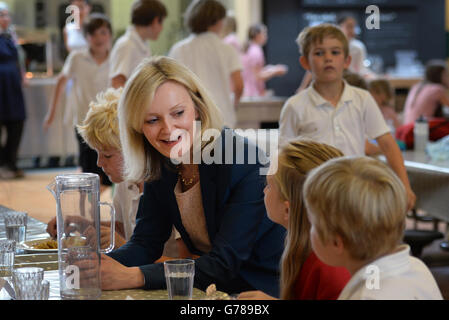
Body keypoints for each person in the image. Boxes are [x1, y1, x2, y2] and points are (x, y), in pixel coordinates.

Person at [100, 56, 286, 297]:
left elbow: (223, 265)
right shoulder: (163, 162)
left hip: (264, 290)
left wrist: (135, 275)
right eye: (153, 120)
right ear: (137, 126)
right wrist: (98, 263)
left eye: (178, 113)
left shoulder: (243, 161)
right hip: (212, 289)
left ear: (197, 109)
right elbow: (145, 244)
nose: (168, 129)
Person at [279, 23, 416, 210]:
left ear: (347, 61)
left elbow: (387, 143)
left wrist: (405, 186)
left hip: (355, 194)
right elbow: (284, 157)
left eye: (335, 52)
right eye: (319, 53)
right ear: (305, 62)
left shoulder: (362, 98)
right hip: (313, 196)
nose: (328, 58)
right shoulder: (295, 106)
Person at [46, 87, 185, 260]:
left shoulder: (173, 186)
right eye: (97, 153)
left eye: (107, 155)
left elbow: (186, 267)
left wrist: (126, 247)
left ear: (135, 149)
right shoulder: (124, 183)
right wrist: (84, 225)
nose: (99, 163)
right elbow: (123, 228)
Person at [303, 156, 443, 300]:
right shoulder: (415, 266)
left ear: (337, 243)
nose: (309, 229)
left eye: (312, 223)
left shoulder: (367, 296)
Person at [238, 140, 351, 300]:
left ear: (287, 210)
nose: (264, 190)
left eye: (268, 185)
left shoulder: (328, 267)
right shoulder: (315, 251)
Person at [43, 13, 113, 188]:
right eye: (93, 34)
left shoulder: (116, 58)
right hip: (84, 122)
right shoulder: (77, 57)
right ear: (86, 37)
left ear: (110, 35)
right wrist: (51, 114)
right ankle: (87, 211)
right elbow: (61, 81)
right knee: (88, 169)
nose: (99, 38)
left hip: (110, 123)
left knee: (111, 171)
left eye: (103, 32)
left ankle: (111, 210)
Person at [168, 0, 243, 129]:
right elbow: (239, 85)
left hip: (190, 119)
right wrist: (233, 105)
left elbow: (170, 86)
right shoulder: (227, 49)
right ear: (218, 21)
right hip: (222, 117)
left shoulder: (179, 49)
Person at [109, 0, 167, 89]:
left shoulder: (143, 43)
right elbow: (117, 83)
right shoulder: (126, 44)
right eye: (161, 23)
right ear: (155, 21)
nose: (162, 28)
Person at [0, 2, 26, 179]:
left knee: (17, 123)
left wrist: (22, 75)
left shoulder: (11, 36)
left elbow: (19, 59)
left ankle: (11, 163)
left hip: (13, 86)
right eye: (2, 15)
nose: (5, 18)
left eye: (7, 15)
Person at [241, 23, 288, 98]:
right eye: (264, 33)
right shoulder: (255, 51)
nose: (266, 36)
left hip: (247, 92)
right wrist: (275, 71)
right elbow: (257, 76)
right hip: (252, 94)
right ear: (257, 35)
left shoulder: (249, 48)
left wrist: (271, 68)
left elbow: (254, 71)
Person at [403, 60, 449, 125]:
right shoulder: (437, 89)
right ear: (439, 76)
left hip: (408, 126)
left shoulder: (417, 86)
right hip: (421, 127)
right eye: (446, 75)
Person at [337, 13, 375, 78]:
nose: (352, 30)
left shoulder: (358, 47)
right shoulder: (331, 45)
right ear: (339, 27)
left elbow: (361, 69)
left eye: (353, 27)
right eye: (349, 26)